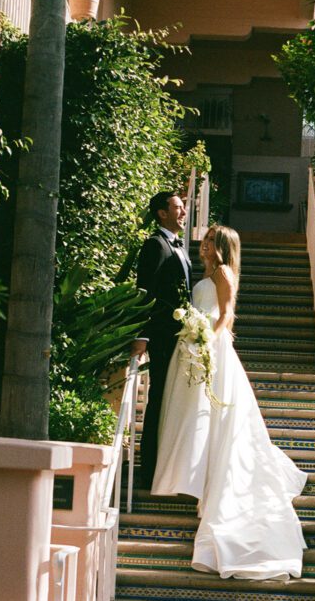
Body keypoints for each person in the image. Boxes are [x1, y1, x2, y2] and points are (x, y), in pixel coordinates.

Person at [153, 224, 308, 580]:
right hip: (191, 347)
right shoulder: (203, 272)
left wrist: (206, 340)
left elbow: (226, 314)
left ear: (221, 247)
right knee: (191, 415)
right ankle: (189, 476)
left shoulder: (223, 273)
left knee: (212, 415)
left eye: (209, 240)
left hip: (211, 349)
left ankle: (208, 483)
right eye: (204, 240)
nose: (203, 244)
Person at [131, 191, 192, 490]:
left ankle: (169, 467)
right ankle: (149, 469)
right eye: (178, 208)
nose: (183, 212)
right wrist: (141, 336)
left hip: (180, 337)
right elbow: (145, 292)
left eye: (183, 208)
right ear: (161, 213)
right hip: (162, 337)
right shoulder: (155, 245)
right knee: (158, 401)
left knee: (172, 402)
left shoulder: (178, 246)